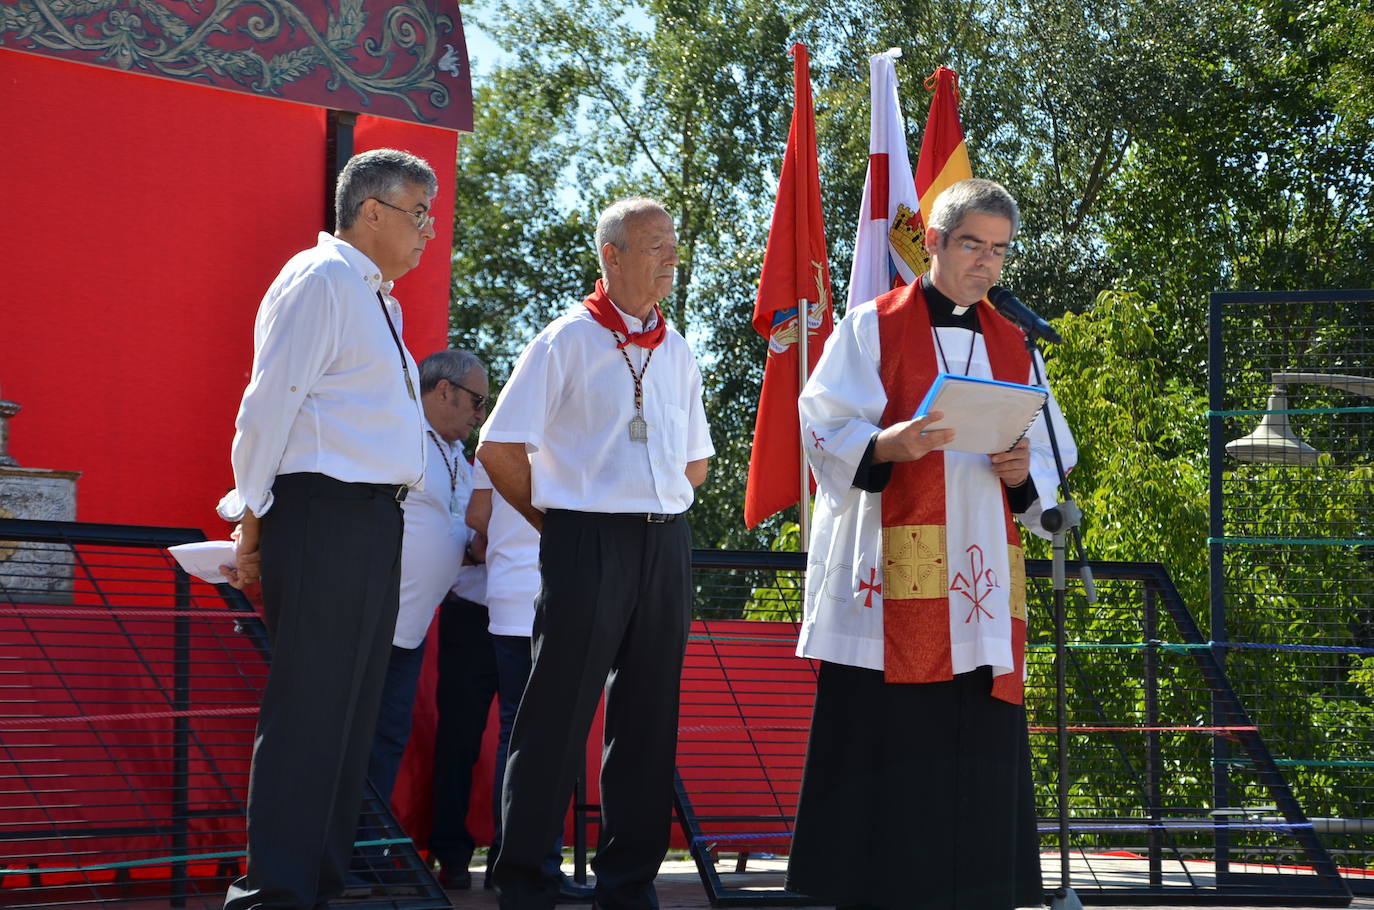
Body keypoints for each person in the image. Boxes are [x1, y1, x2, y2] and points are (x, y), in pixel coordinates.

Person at [784, 178, 1076, 910]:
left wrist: (1022, 473)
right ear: (936, 243)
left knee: (973, 738)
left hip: (977, 583)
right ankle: (867, 889)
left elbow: (1051, 454)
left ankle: (976, 890)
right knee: (884, 734)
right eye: (972, 245)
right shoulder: (870, 327)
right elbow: (820, 421)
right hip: (890, 571)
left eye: (999, 252)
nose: (985, 264)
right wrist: (888, 442)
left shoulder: (1017, 345)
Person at [476, 197, 714, 910]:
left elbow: (697, 464)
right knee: (556, 714)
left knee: (649, 718)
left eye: (673, 243)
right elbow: (497, 446)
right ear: (611, 254)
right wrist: (555, 524)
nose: (672, 256)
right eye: (655, 244)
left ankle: (628, 884)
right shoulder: (565, 339)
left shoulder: (677, 347)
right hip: (586, 537)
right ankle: (524, 882)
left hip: (666, 541)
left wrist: (655, 493)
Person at [215, 148, 438, 910]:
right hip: (319, 513)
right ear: (369, 211)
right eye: (417, 214)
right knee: (310, 707)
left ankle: (316, 885)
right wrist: (252, 517)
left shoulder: (381, 299)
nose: (427, 233)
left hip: (374, 523)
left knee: (350, 715)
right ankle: (272, 892)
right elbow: (269, 403)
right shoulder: (320, 280)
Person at [455, 461, 597, 901]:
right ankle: (537, 864)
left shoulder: (496, 438)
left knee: (518, 732)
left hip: (507, 592)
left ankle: (514, 859)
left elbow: (477, 517)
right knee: (552, 732)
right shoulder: (574, 428)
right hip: (555, 589)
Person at [365, 349, 488, 810]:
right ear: (442, 390)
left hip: (409, 629)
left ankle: (368, 854)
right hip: (371, 622)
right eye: (476, 401)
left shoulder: (454, 451)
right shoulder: (397, 432)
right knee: (356, 740)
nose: (480, 415)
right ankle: (347, 858)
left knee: (386, 739)